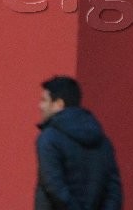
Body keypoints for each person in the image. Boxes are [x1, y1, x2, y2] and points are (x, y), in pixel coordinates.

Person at [35, 75, 123, 210]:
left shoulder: (49, 138)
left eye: (44, 100)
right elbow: (114, 191)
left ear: (59, 104)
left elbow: (54, 187)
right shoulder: (103, 141)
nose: (40, 106)